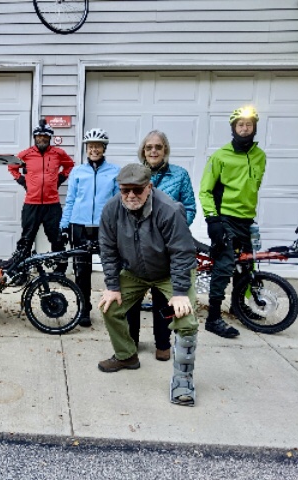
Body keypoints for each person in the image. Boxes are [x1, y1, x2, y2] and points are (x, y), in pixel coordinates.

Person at [97, 163, 199, 406]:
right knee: (110, 307)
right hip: (135, 272)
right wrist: (112, 286)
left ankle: (183, 380)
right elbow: (108, 250)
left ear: (149, 187)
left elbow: (182, 252)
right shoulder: (111, 209)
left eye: (138, 189)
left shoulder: (169, 209)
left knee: (185, 319)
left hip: (170, 272)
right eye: (125, 190)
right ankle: (126, 355)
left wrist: (180, 292)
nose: (131, 195)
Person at [126, 130, 197, 361]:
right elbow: (125, 205)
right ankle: (131, 341)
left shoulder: (180, 174)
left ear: (165, 149)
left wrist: (175, 230)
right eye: (149, 147)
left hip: (166, 247)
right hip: (138, 246)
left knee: (163, 299)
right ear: (143, 151)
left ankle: (163, 343)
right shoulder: (134, 174)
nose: (153, 151)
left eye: (158, 147)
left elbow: (189, 207)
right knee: (132, 300)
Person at [199, 106, 266, 338]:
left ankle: (239, 307)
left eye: (248, 125)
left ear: (254, 128)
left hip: (246, 220)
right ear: (233, 128)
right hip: (224, 218)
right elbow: (205, 191)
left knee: (246, 265)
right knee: (225, 264)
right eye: (240, 125)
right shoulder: (220, 156)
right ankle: (213, 317)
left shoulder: (260, 156)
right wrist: (213, 220)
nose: (244, 128)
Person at [59, 128, 119, 327]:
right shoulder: (77, 171)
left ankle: (114, 309)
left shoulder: (114, 171)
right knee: (82, 270)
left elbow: (119, 202)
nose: (94, 149)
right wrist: (64, 225)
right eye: (91, 146)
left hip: (104, 227)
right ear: (86, 149)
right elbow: (70, 200)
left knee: (111, 269)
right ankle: (84, 309)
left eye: (98, 146)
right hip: (80, 226)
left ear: (104, 148)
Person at [8, 119, 74, 272]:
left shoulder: (58, 153)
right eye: (39, 136)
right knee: (26, 239)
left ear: (50, 138)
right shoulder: (26, 154)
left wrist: (60, 178)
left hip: (52, 205)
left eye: (45, 136)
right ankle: (21, 270)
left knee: (57, 238)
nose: (42, 139)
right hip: (32, 204)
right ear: (35, 137)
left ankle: (60, 269)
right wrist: (22, 180)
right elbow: (11, 166)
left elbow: (70, 165)